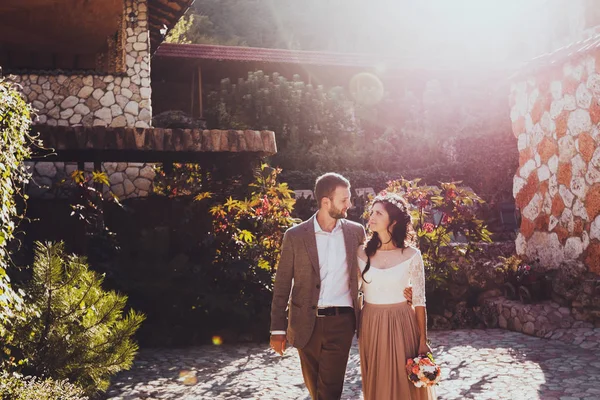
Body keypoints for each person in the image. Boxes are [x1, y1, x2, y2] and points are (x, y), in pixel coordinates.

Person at [270, 173, 414, 400]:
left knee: (330, 391)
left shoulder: (355, 232)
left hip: (341, 322)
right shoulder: (295, 236)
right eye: (344, 200)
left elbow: (375, 265)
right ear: (325, 202)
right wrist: (277, 329)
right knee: (315, 388)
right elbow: (282, 284)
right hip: (305, 322)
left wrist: (401, 287)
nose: (350, 204)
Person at [358, 193, 436, 400]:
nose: (371, 217)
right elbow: (352, 288)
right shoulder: (361, 253)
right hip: (371, 323)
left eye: (378, 213)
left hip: (403, 322)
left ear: (392, 221)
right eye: (371, 212)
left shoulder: (411, 255)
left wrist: (422, 340)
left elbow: (420, 300)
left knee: (404, 383)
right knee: (378, 380)